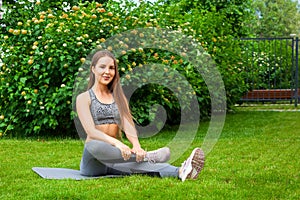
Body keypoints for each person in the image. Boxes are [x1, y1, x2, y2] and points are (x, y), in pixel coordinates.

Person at [76, 50, 205, 181]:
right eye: (102, 67)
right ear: (93, 69)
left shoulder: (118, 98)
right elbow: (91, 131)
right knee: (94, 145)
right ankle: (148, 156)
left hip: (115, 160)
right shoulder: (84, 98)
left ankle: (181, 171)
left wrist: (136, 146)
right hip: (93, 162)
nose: (107, 72)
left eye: (111, 68)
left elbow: (128, 125)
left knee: (142, 166)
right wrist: (118, 144)